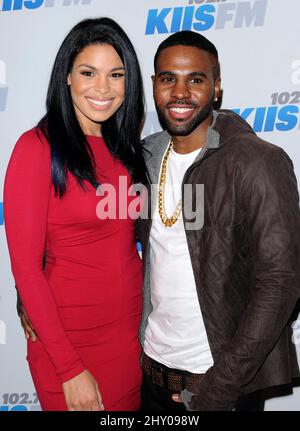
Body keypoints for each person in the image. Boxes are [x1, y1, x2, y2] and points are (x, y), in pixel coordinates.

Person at [136, 31, 300, 411]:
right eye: (167, 79)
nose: (180, 92)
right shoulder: (144, 158)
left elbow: (281, 283)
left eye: (195, 79)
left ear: (216, 88)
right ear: (154, 86)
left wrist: (218, 388)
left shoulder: (257, 162)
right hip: (151, 374)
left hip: (220, 387)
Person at [4, 17, 147, 411]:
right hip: (70, 346)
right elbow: (27, 269)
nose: (102, 88)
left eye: (115, 74)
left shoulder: (128, 150)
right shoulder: (36, 149)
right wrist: (69, 369)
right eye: (89, 72)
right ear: (67, 76)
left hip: (132, 341)